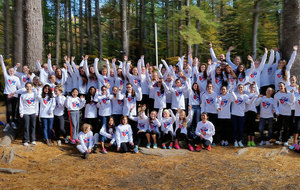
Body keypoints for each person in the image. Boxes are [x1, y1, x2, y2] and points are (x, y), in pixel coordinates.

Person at [1, 55, 21, 123]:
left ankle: (13, 122)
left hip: (14, 95)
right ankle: (8, 123)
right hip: (7, 94)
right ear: (8, 71)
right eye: (10, 70)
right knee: (8, 110)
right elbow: (3, 68)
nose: (11, 71)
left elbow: (19, 87)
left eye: (12, 71)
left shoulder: (17, 78)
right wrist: (1, 59)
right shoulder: (7, 77)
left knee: (13, 109)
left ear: (14, 71)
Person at [274, 82, 294, 146]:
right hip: (280, 113)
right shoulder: (277, 95)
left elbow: (292, 102)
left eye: (281, 86)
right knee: (279, 127)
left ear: (284, 86)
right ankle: (277, 139)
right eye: (279, 86)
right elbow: (275, 104)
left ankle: (285, 140)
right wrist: (277, 112)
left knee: (286, 127)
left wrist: (292, 95)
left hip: (287, 113)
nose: (280, 87)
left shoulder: (289, 93)